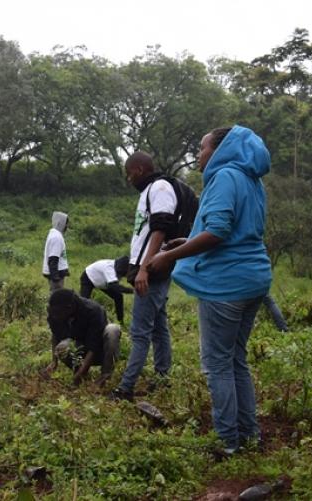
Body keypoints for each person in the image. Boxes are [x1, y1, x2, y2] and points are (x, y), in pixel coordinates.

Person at [147, 125, 272, 454]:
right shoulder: (251, 180)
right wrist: (187, 241)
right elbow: (237, 232)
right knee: (236, 361)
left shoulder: (224, 177)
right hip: (254, 277)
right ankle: (250, 435)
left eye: (202, 149)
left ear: (220, 150)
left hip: (226, 284)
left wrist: (169, 257)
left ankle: (227, 442)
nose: (198, 155)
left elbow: (217, 231)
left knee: (217, 364)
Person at [110, 152, 176, 401]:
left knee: (140, 332)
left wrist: (145, 268)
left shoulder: (159, 187)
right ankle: (162, 378)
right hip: (148, 268)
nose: (129, 179)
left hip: (152, 271)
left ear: (138, 169)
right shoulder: (149, 191)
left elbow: (161, 227)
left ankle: (126, 388)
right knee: (159, 327)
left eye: (129, 173)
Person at [41, 289, 122, 387]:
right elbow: (55, 334)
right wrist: (54, 362)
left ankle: (105, 376)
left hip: (101, 351)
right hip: (80, 348)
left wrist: (81, 372)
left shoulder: (93, 310)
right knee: (62, 348)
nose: (54, 317)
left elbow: (94, 346)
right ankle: (80, 372)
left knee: (112, 330)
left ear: (69, 308)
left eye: (57, 314)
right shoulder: (55, 310)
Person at [80, 256, 134, 324]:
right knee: (84, 301)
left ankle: (120, 320)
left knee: (118, 297)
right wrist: (132, 291)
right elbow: (115, 287)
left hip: (103, 282)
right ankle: (80, 321)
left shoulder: (118, 267)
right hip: (88, 277)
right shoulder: (109, 268)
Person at [42, 212, 69, 291]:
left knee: (56, 297)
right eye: (65, 223)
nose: (67, 226)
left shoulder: (55, 234)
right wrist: (55, 278)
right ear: (60, 223)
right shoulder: (56, 237)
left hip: (57, 273)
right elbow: (53, 259)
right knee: (57, 297)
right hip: (56, 275)